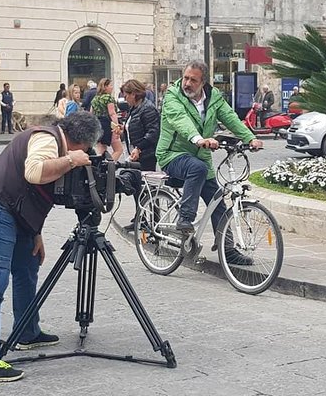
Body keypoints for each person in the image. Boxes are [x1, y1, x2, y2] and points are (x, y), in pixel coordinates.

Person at [0, 111, 100, 382]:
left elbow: (32, 192)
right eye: (86, 149)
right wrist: (71, 160)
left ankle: (27, 332)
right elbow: (34, 172)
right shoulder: (47, 139)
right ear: (81, 142)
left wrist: (35, 233)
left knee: (27, 268)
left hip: (13, 212)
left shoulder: (55, 142)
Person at [156, 61, 263, 265]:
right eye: (186, 78)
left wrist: (250, 138)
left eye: (192, 80)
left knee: (218, 203)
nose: (186, 83)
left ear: (203, 82)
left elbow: (230, 117)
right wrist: (198, 139)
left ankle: (228, 250)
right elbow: (180, 120)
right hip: (172, 154)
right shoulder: (172, 95)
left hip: (201, 157)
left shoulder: (214, 98)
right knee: (196, 168)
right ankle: (184, 220)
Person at [120, 79, 161, 231]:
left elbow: (153, 133)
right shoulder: (135, 108)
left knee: (147, 189)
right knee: (138, 188)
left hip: (146, 155)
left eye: (126, 95)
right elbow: (133, 126)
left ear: (135, 94)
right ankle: (142, 218)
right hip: (135, 153)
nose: (125, 98)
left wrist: (139, 148)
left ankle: (153, 222)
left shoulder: (147, 109)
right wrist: (122, 130)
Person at [90, 78, 123, 160]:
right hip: (108, 124)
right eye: (110, 85)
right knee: (118, 150)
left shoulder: (95, 99)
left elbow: (91, 113)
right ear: (105, 87)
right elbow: (112, 113)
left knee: (101, 149)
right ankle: (108, 166)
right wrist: (116, 126)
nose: (112, 87)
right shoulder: (108, 98)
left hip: (98, 124)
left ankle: (98, 166)